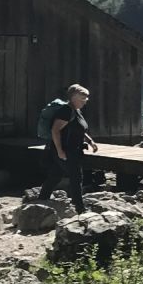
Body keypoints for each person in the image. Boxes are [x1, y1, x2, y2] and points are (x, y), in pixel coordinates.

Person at [38, 83, 95, 213]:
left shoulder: (76, 111)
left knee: (56, 175)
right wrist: (60, 151)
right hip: (66, 150)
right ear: (74, 97)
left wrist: (90, 141)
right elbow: (55, 130)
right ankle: (80, 208)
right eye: (83, 98)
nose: (85, 101)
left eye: (86, 98)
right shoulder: (66, 111)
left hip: (73, 149)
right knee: (76, 176)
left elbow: (78, 128)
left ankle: (42, 198)